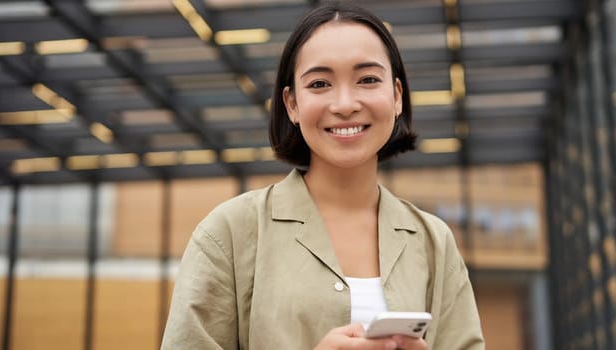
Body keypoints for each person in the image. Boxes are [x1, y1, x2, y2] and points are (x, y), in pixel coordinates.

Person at [161, 2, 484, 349]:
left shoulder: (433, 241)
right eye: (319, 83)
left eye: (368, 80)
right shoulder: (230, 234)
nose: (345, 104)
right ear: (292, 104)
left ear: (396, 96)